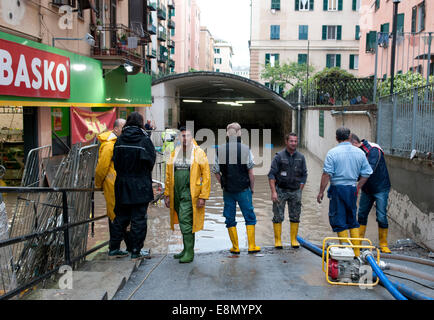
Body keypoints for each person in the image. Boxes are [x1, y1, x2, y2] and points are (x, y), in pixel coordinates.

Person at [317, 127, 373, 256]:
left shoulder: (332, 153)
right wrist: (358, 186)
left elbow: (326, 174)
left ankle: (346, 252)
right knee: (352, 219)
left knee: (339, 220)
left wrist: (321, 192)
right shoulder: (360, 153)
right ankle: (357, 253)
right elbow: (367, 173)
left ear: (336, 138)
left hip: (338, 189)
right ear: (349, 137)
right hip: (352, 189)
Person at [111, 112, 156, 260]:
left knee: (120, 216)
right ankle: (136, 250)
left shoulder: (119, 140)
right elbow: (150, 162)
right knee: (138, 219)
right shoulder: (144, 140)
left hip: (122, 184)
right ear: (141, 123)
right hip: (140, 185)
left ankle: (114, 248)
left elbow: (115, 162)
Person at [164, 127, 210, 263]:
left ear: (192, 137)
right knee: (184, 221)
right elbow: (168, 175)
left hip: (190, 194)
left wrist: (203, 196)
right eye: (182, 136)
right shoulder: (174, 153)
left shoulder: (199, 153)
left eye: (188, 136)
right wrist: (167, 194)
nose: (185, 139)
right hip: (176, 193)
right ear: (179, 138)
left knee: (185, 221)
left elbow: (206, 176)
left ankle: (189, 252)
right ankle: (185, 249)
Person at [213, 122, 260, 254]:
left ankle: (235, 247)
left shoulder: (219, 149)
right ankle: (251, 246)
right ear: (240, 134)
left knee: (229, 218)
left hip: (228, 190)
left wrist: (223, 183)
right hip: (244, 189)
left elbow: (216, 170)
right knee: (250, 216)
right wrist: (252, 188)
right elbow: (251, 172)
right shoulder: (246, 149)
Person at [95, 118, 132, 258]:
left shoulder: (116, 143)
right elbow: (101, 168)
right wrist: (99, 185)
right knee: (115, 215)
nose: (125, 130)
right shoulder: (109, 145)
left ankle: (120, 247)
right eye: (123, 128)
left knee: (119, 215)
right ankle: (114, 248)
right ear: (115, 129)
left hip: (118, 185)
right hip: (112, 185)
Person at [350, 133, 392, 253]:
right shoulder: (357, 152)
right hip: (367, 189)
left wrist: (357, 186)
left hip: (380, 188)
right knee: (362, 214)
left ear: (354, 144)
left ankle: (383, 244)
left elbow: (368, 171)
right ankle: (359, 242)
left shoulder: (374, 150)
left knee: (381, 216)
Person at [268, 133, 307, 249]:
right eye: (291, 141)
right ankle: (278, 241)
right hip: (280, 190)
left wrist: (300, 190)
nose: (294, 143)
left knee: (295, 216)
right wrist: (274, 192)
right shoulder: (278, 156)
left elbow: (304, 175)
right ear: (286, 142)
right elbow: (271, 175)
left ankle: (294, 240)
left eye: (295, 141)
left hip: (295, 191)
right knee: (278, 216)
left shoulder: (301, 157)